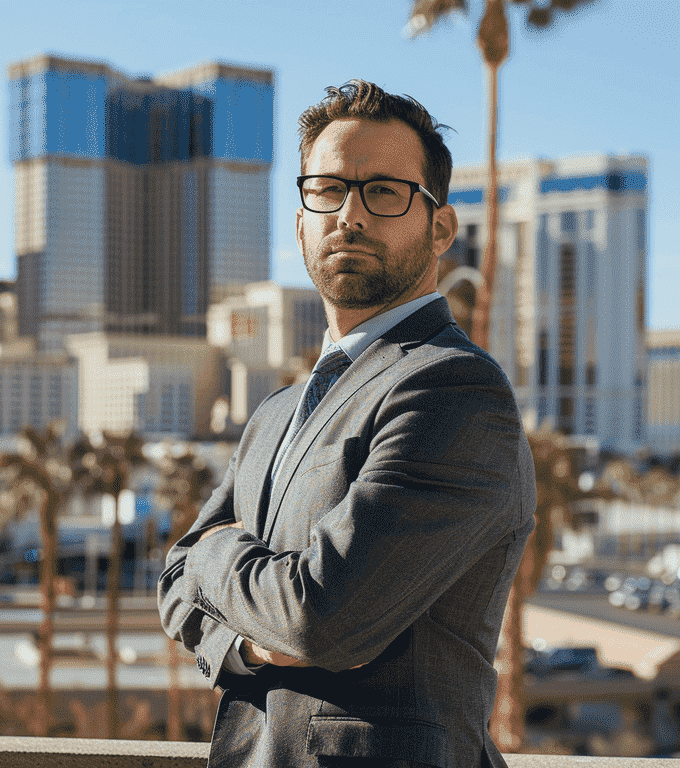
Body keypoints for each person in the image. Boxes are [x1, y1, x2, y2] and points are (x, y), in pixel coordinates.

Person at [158, 80, 536, 768]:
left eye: (384, 192)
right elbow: (172, 580)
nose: (349, 215)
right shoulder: (275, 413)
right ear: (301, 221)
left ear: (440, 228)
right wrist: (243, 645)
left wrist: (218, 553)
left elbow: (320, 618)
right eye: (327, 190)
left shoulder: (453, 389)